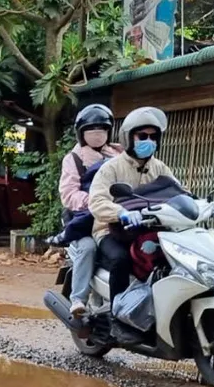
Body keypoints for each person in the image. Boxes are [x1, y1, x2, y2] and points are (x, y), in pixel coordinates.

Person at [88, 107, 179, 303]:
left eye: (153, 137)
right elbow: (96, 202)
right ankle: (118, 315)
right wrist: (121, 212)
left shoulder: (159, 167)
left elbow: (178, 191)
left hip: (151, 230)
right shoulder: (111, 168)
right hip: (111, 231)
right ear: (128, 137)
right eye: (143, 136)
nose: (149, 141)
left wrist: (205, 205)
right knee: (121, 260)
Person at [58, 104, 122, 317]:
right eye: (91, 130)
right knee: (87, 248)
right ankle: (78, 299)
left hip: (114, 216)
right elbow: (68, 194)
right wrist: (95, 201)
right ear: (81, 133)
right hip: (84, 220)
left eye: (102, 130)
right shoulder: (74, 159)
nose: (97, 135)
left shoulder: (118, 154)